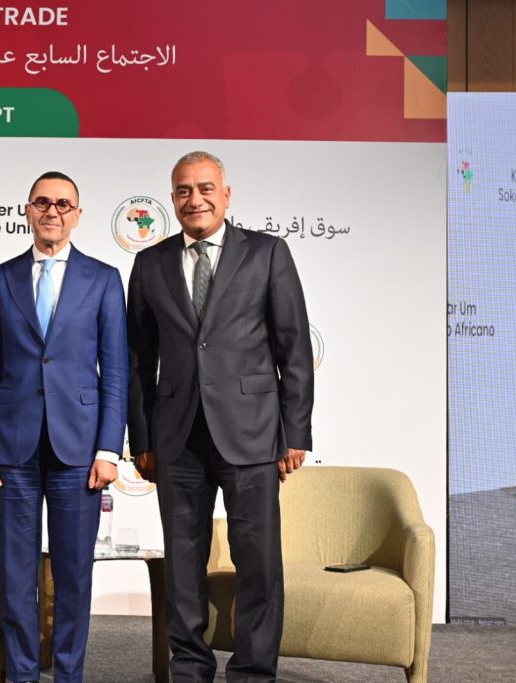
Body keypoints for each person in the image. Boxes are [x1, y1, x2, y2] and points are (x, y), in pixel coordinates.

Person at [127, 151, 314, 682]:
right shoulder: (150, 263)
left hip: (253, 433)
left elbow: (294, 348)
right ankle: (190, 670)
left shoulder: (267, 253)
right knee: (183, 567)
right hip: (176, 438)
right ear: (172, 199)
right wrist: (142, 437)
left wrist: (295, 432)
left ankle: (253, 673)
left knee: (258, 564)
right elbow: (137, 359)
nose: (196, 199)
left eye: (206, 188)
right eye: (184, 190)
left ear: (226, 195)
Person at [0, 171, 128, 683]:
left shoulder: (104, 279)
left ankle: (68, 676)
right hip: (10, 450)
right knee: (17, 578)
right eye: (42, 202)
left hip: (79, 450)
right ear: (28, 211)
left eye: (62, 204)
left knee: (74, 577)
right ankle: (21, 675)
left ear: (77, 215)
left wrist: (109, 449)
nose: (51, 211)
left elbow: (115, 371)